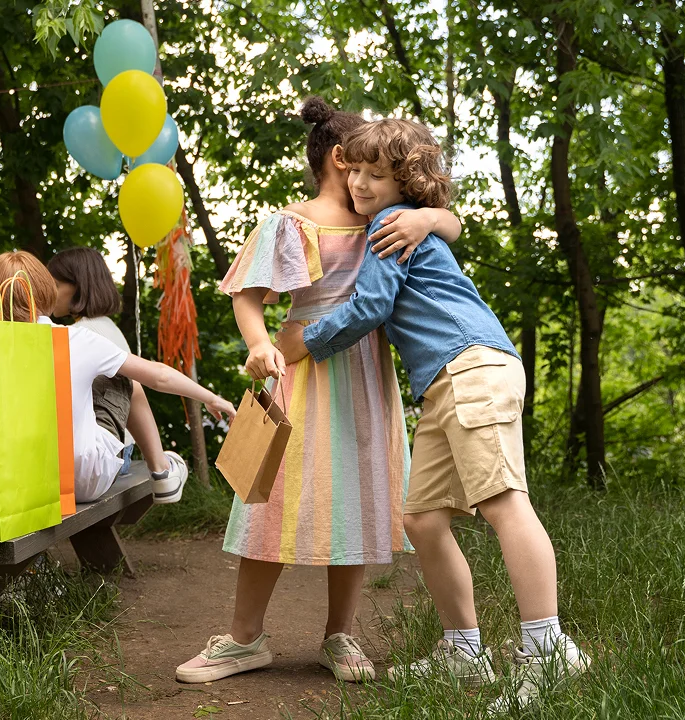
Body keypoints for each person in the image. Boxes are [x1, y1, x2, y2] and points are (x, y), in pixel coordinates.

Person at [276, 117, 588, 711]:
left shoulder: (389, 225)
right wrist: (432, 217)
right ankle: (463, 650)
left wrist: (304, 341)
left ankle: (548, 653)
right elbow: (447, 222)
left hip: (471, 367)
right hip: (446, 380)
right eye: (355, 171)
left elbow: (371, 304)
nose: (361, 184)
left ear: (407, 183)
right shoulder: (407, 219)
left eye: (376, 176)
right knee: (421, 519)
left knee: (504, 503)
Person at [177, 97, 465, 685]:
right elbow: (247, 295)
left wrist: (430, 219)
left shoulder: (391, 218)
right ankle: (244, 639)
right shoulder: (292, 222)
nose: (373, 176)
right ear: (342, 158)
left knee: (356, 500)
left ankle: (340, 634)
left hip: (363, 376)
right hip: (299, 372)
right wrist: (259, 343)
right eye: (365, 162)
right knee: (269, 499)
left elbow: (450, 223)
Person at [0, 251, 236, 504]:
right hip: (81, 479)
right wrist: (212, 398)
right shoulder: (75, 339)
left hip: (16, 479)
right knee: (125, 379)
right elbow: (158, 376)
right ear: (46, 291)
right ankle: (163, 471)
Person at [47, 247, 189, 503]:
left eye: (55, 285)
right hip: (112, 453)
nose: (48, 292)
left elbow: (140, 384)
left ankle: (162, 466)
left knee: (126, 382)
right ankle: (163, 467)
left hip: (100, 460)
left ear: (78, 287)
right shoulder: (104, 325)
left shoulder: (83, 334)